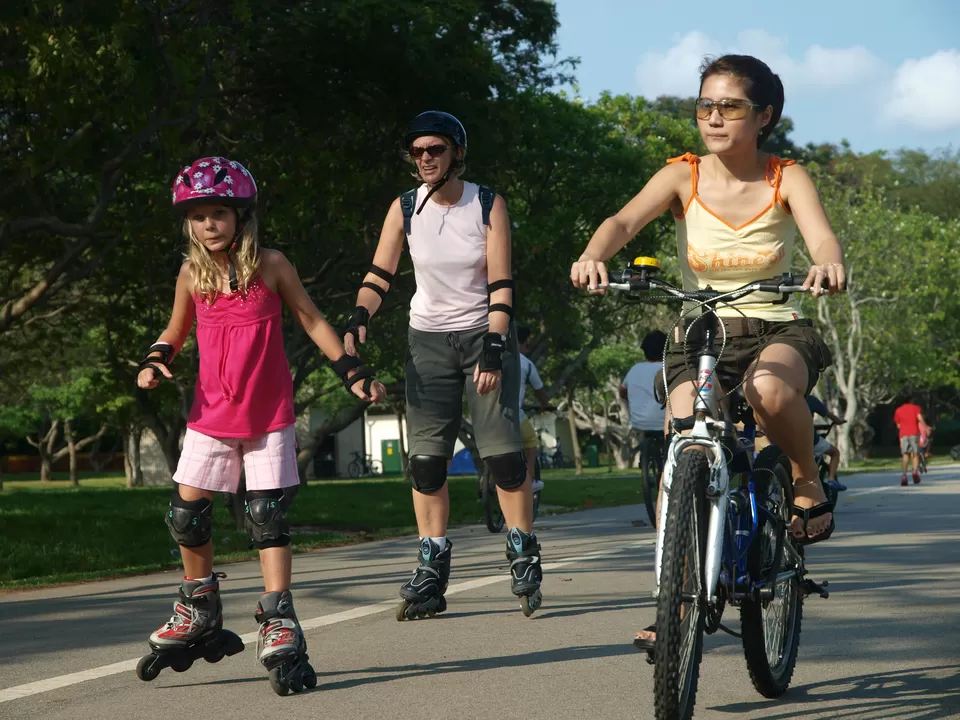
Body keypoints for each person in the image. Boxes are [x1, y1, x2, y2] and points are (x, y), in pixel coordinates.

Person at [569, 54, 845, 651]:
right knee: (684, 435)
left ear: (764, 115)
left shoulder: (785, 176)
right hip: (701, 333)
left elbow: (821, 234)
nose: (713, 117)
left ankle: (804, 480)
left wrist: (827, 261)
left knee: (768, 391)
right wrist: (595, 252)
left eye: (729, 106)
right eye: (705, 106)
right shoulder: (682, 175)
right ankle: (677, 595)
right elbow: (622, 221)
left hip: (776, 328)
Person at [136, 157, 385, 692]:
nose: (209, 224)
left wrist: (352, 372)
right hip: (210, 414)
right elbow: (176, 328)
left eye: (219, 213)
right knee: (186, 513)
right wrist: (157, 359)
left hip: (268, 415)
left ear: (241, 216)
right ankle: (199, 602)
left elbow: (312, 319)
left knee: (265, 514)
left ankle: (278, 616)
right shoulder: (190, 274)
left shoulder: (271, 264)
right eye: (199, 216)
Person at [342, 111, 543, 618]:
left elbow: (501, 283)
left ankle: (522, 549)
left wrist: (496, 346)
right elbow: (379, 273)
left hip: (485, 334)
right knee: (426, 461)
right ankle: (431, 563)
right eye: (418, 151)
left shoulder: (487, 204)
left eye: (435, 149)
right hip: (426, 339)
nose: (426, 158)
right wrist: (359, 315)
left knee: (501, 455)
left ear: (457, 152)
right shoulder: (406, 207)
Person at [620, 331, 668, 462]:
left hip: (639, 423)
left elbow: (622, 392)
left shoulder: (635, 369)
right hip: (666, 423)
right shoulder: (669, 368)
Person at [516, 326, 552, 492]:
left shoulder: (491, 357)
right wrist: (545, 405)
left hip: (487, 416)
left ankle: (487, 482)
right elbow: (541, 392)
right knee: (531, 443)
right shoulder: (526, 364)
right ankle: (530, 480)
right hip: (513, 415)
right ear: (524, 344)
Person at [807, 394, 847, 491]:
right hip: (808, 439)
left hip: (784, 438)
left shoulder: (783, 397)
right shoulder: (810, 399)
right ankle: (832, 479)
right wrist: (839, 421)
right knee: (835, 452)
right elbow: (829, 415)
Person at [893, 395, 927, 485]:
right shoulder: (916, 408)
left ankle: (904, 476)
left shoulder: (898, 410)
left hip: (903, 435)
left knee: (905, 455)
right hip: (914, 433)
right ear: (911, 400)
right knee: (915, 454)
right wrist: (926, 427)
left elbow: (898, 425)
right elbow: (920, 418)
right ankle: (914, 472)